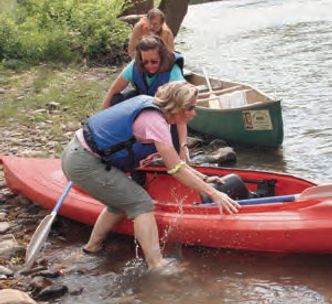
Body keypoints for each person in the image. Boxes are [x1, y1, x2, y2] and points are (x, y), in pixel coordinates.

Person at [61, 81, 241, 271]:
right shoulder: (154, 121)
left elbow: (175, 163)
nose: (193, 113)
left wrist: (204, 179)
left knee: (120, 202)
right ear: (175, 107)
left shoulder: (152, 108)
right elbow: (175, 169)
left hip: (77, 154)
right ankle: (156, 264)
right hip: (84, 162)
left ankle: (92, 248)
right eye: (190, 108)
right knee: (141, 203)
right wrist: (213, 193)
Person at [102, 34, 189, 160]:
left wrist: (183, 146)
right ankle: (128, 145)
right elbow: (113, 91)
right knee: (116, 100)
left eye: (154, 61)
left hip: (166, 108)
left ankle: (171, 152)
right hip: (143, 105)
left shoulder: (173, 72)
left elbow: (182, 111)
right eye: (145, 62)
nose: (149, 66)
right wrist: (103, 120)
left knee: (174, 148)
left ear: (162, 57)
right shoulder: (134, 66)